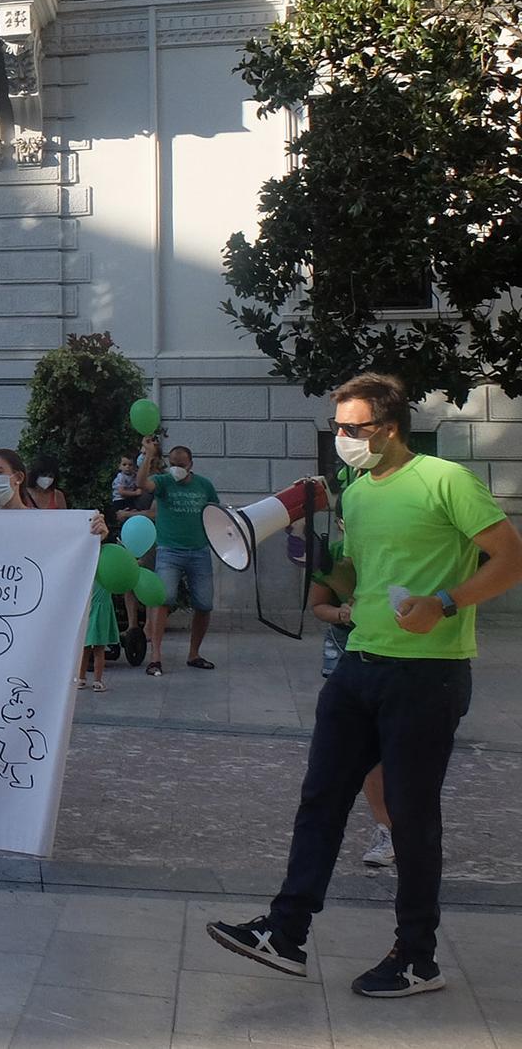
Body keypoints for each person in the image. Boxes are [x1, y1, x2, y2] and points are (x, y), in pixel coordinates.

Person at [210, 372, 521, 997]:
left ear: (390, 426)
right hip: (359, 663)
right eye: (337, 429)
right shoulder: (356, 491)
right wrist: (321, 564)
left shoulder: (445, 480)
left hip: (427, 674)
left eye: (354, 429)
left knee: (410, 819)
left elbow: (511, 557)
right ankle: (285, 933)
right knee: (320, 800)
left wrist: (445, 602)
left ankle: (417, 958)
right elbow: (365, 575)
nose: (343, 439)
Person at [310, 567, 392, 867]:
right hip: (347, 653)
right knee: (364, 752)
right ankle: (386, 828)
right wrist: (341, 614)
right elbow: (318, 605)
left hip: (409, 660)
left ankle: (405, 832)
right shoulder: (333, 554)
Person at [136, 436, 221, 675]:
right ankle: (156, 657)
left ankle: (194, 654)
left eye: (181, 464)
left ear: (190, 465)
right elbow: (141, 483)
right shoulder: (163, 482)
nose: (177, 468)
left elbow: (216, 513)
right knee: (162, 600)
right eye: (173, 462)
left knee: (204, 604)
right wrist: (149, 455)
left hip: (199, 550)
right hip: (169, 550)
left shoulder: (204, 485)